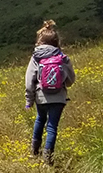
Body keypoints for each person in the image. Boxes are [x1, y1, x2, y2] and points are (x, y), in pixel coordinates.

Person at [25, 19, 75, 165]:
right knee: (52, 126)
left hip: (41, 96)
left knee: (40, 119)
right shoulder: (63, 58)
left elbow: (29, 81)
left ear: (39, 41)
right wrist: (62, 84)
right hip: (59, 98)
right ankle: (48, 159)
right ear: (56, 41)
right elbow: (71, 80)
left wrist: (29, 100)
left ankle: (35, 152)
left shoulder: (36, 57)